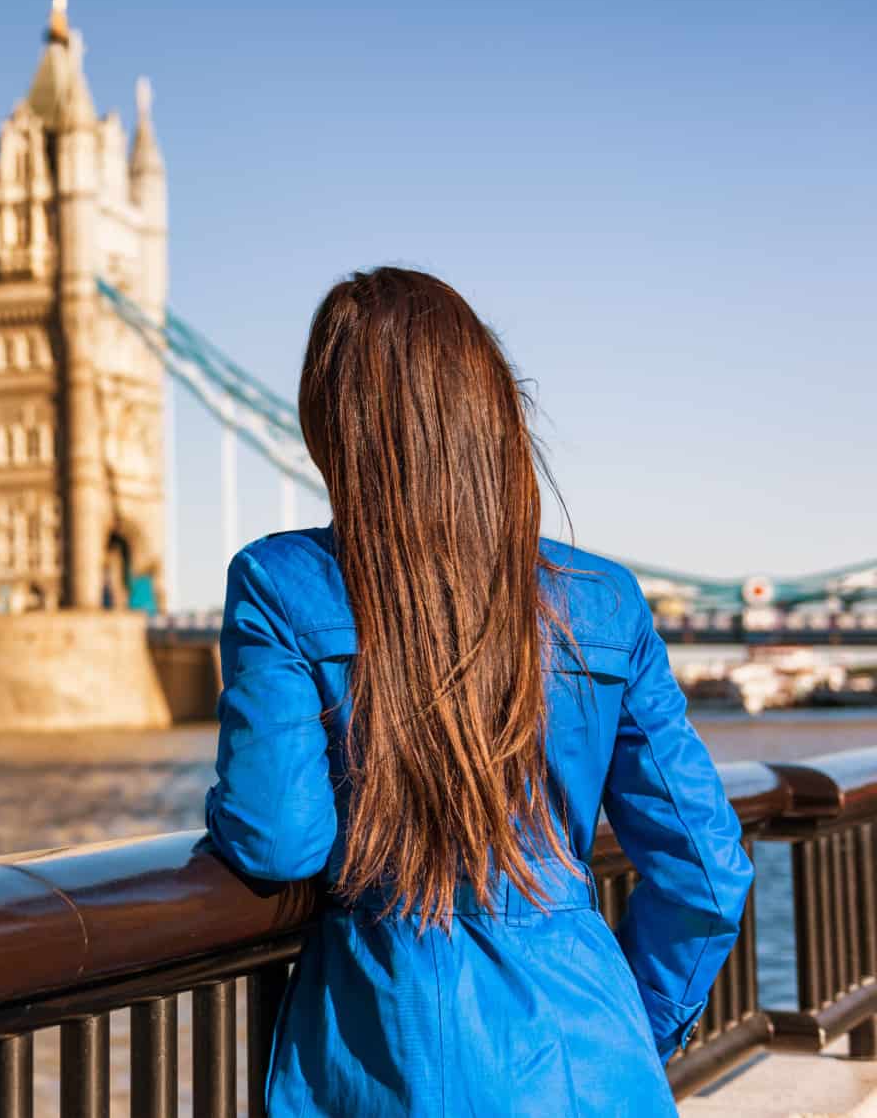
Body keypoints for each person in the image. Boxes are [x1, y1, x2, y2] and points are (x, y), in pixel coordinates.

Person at [204, 267, 752, 1116]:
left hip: (388, 1063)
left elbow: (279, 840)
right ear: (489, 413)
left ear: (332, 427)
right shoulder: (605, 602)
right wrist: (629, 1031)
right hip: (599, 1073)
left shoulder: (282, 585)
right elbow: (710, 873)